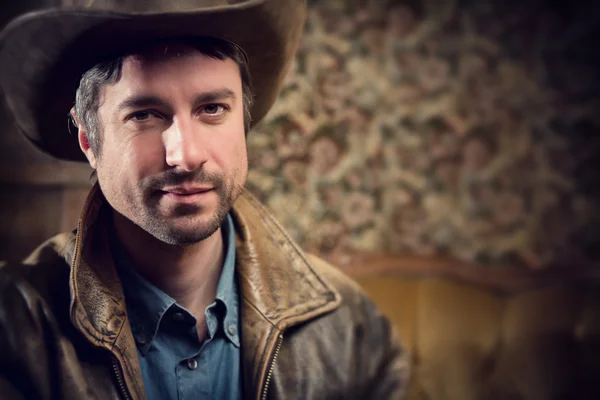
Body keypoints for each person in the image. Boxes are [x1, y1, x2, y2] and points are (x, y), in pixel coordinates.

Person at [0, 0, 408, 399]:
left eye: (212, 108)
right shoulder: (15, 331)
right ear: (90, 141)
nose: (186, 155)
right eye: (143, 114)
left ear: (243, 123)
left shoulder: (348, 328)